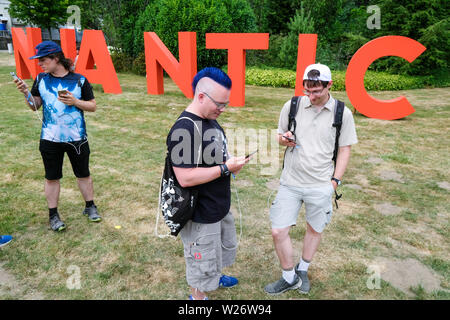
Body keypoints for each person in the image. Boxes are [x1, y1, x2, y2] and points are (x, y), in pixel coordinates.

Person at [264, 63, 358, 295]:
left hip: (321, 184)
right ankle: (288, 276)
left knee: (314, 229)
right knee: (278, 231)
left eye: (317, 91)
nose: (311, 96)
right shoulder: (292, 105)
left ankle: (303, 269)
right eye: (307, 90)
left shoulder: (342, 113)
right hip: (291, 181)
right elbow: (279, 135)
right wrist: (283, 139)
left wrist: (334, 182)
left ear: (329, 86)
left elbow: (345, 149)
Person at [166, 67, 250, 300]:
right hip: (199, 212)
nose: (222, 109)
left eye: (226, 104)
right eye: (219, 104)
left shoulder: (209, 119)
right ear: (201, 96)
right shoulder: (184, 129)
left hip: (216, 206)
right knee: (200, 259)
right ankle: (198, 296)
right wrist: (225, 168)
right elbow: (185, 177)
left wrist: (230, 162)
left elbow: (213, 153)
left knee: (217, 248)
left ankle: (214, 275)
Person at [14, 41, 101, 232]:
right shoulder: (40, 79)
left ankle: (90, 206)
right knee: (52, 177)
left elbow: (92, 106)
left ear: (56, 58)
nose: (40, 64)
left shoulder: (80, 80)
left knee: (83, 173)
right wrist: (26, 92)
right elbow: (35, 105)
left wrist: (75, 101)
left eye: (43, 60)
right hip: (50, 139)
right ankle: (53, 215)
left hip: (77, 138)